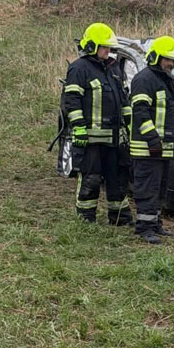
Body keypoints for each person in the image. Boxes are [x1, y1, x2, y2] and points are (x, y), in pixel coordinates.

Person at [63, 23, 133, 226]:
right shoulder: (79, 68)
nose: (108, 51)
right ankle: (86, 219)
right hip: (90, 139)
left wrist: (130, 128)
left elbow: (124, 101)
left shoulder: (113, 69)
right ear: (92, 46)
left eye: (109, 47)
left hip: (114, 139)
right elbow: (72, 100)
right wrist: (79, 128)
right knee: (91, 179)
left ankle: (120, 218)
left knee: (118, 178)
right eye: (104, 47)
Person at [129, 36, 174, 244]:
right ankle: (145, 227)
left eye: (173, 60)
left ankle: (155, 223)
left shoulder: (169, 81)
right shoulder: (144, 80)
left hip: (164, 149)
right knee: (147, 189)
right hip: (147, 149)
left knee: (160, 189)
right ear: (156, 58)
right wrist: (152, 140)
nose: (171, 64)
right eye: (167, 59)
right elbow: (140, 113)